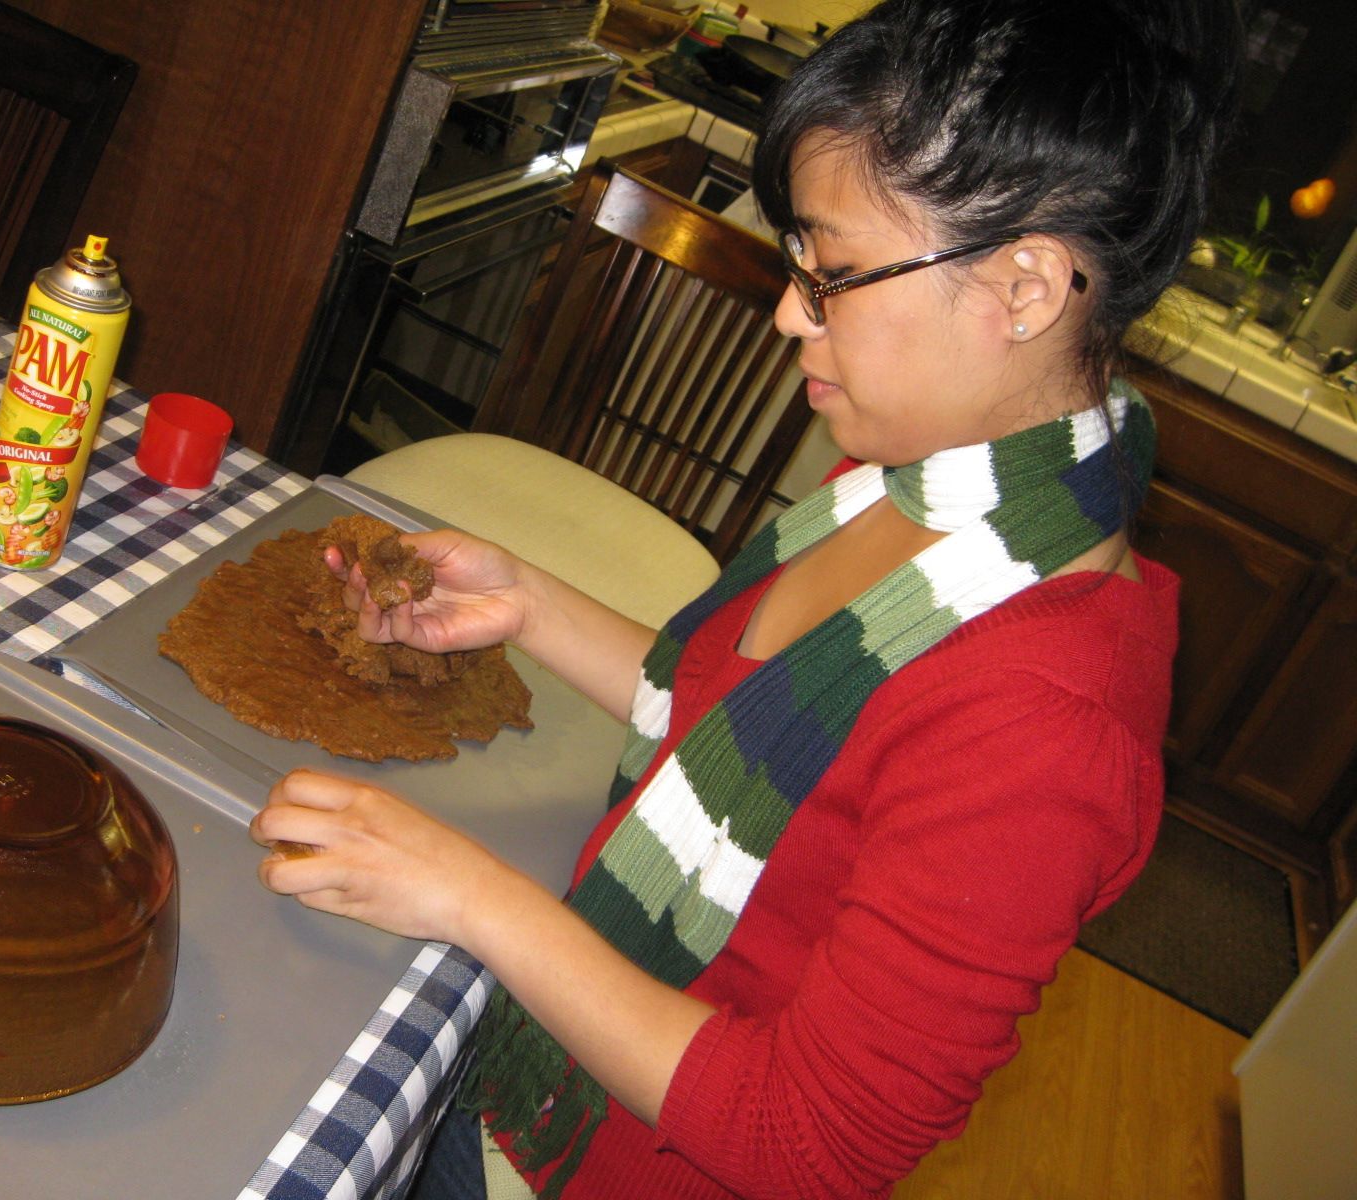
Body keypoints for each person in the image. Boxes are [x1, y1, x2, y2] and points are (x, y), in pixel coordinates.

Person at [249, 1, 1243, 1196]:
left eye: (831, 273)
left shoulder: (1043, 728)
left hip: (586, 1162)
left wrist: (473, 898)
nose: (787, 311)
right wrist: (526, 603)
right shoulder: (926, 488)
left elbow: (805, 1139)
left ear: (1024, 286)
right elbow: (730, 719)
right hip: (543, 1045)